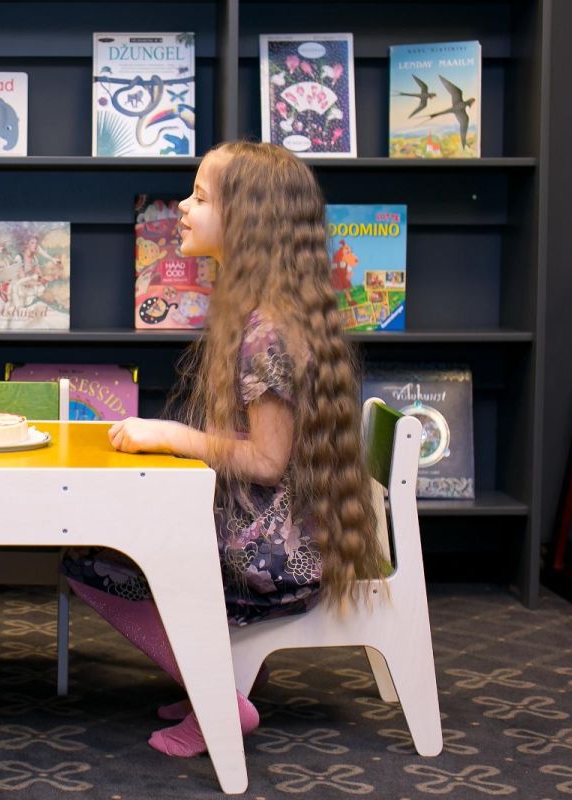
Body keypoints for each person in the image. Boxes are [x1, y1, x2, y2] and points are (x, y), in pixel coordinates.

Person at [62, 141, 384, 757]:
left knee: (90, 560)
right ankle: (214, 685)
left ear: (247, 223)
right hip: (283, 542)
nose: (182, 208)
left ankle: (221, 703)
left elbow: (266, 460)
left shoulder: (265, 334)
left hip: (271, 559)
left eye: (200, 198)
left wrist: (172, 436)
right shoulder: (273, 315)